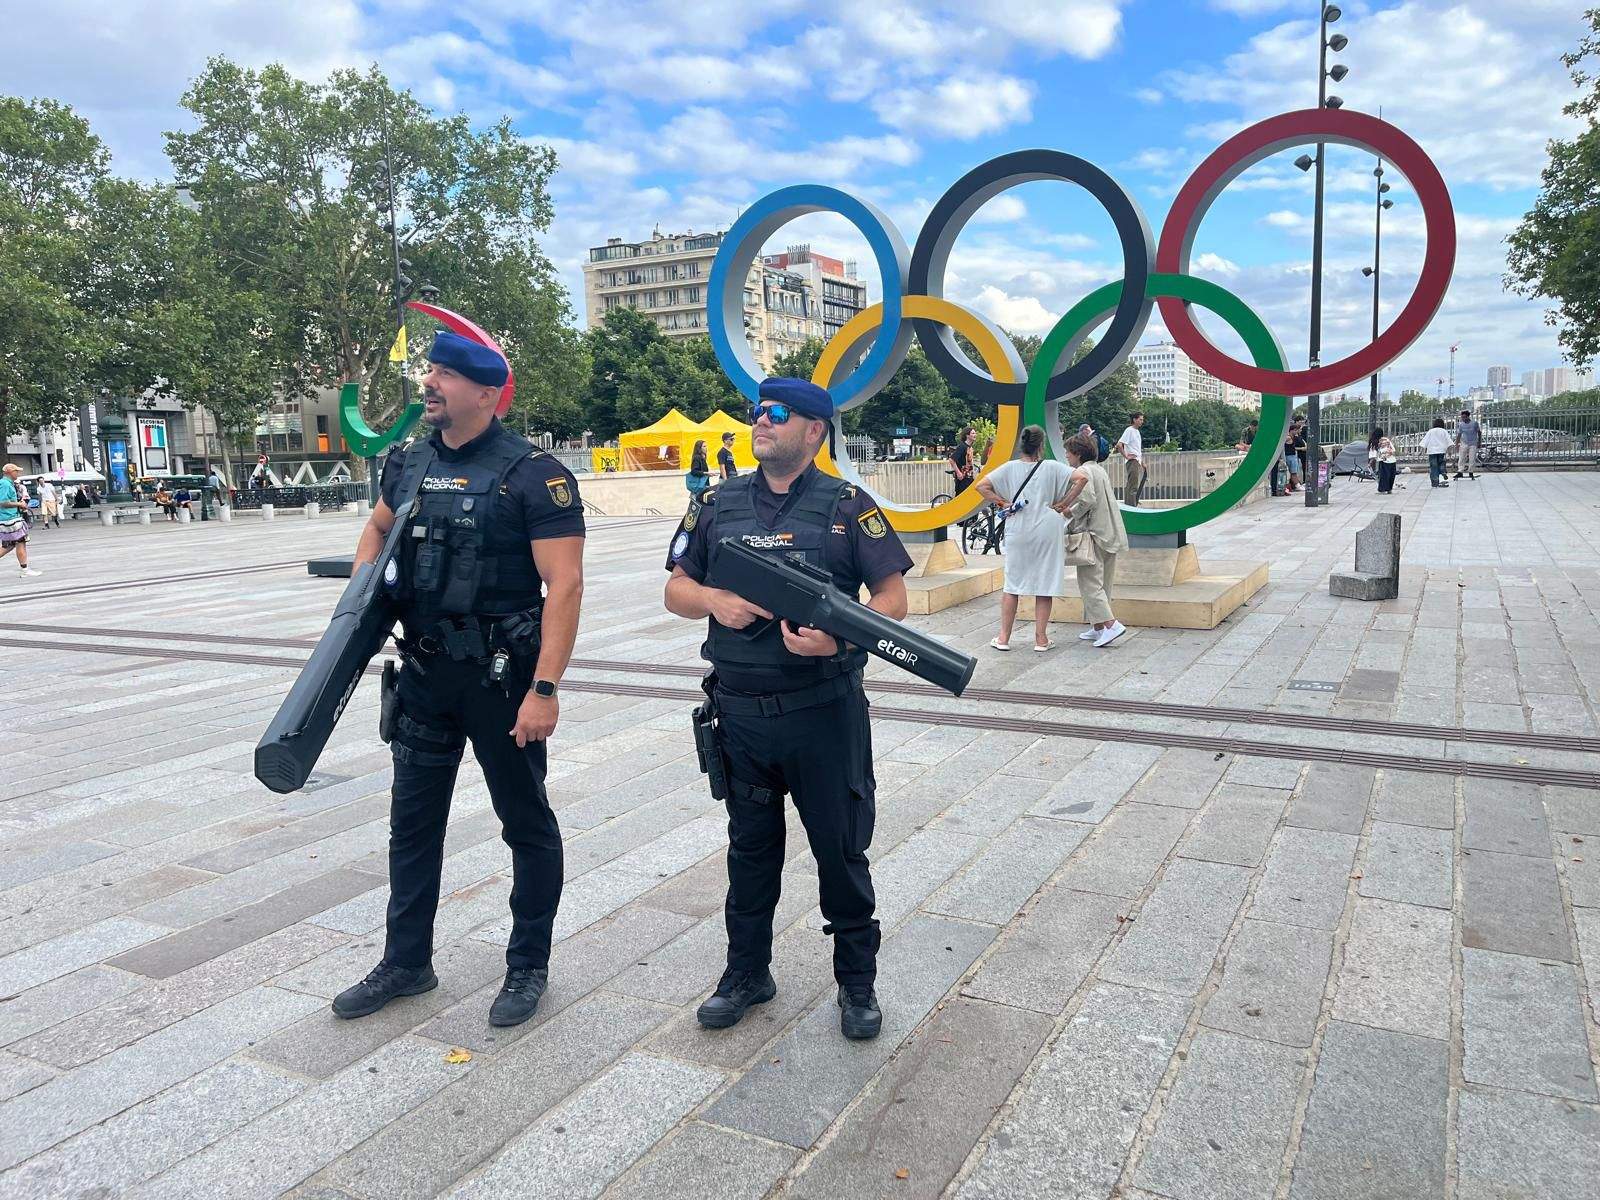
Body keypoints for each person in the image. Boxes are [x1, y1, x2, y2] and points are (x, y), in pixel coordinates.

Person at [331, 330, 585, 1028]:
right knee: (411, 826)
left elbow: (563, 585)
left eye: (443, 374)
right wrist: (362, 596)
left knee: (525, 824)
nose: (430, 384)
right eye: (431, 371)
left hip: (503, 683)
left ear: (484, 391)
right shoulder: (408, 463)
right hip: (423, 675)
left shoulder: (536, 474)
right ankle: (406, 961)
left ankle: (527, 965)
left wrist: (545, 688)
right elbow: (378, 530)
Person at [663, 376, 912, 1042]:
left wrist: (842, 631)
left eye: (776, 414)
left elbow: (893, 598)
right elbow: (675, 588)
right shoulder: (718, 502)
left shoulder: (847, 504)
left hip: (823, 714)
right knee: (749, 853)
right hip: (740, 715)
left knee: (840, 850)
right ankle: (746, 973)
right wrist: (714, 601)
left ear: (814, 431)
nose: (760, 420)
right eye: (756, 412)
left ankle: (856, 984)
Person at [976, 425, 1074, 652]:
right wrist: (1064, 503)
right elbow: (1081, 478)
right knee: (1044, 584)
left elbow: (982, 486)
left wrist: (1002, 503)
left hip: (1018, 530)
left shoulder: (1009, 468)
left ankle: (1003, 638)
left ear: (1022, 444)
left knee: (1012, 585)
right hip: (1046, 530)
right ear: (1041, 445)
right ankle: (1040, 639)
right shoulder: (1052, 467)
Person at [1058, 432, 1129, 647]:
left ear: (1077, 453)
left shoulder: (1083, 471)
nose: (1067, 457)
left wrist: (1069, 512)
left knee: (1090, 583)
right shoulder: (1099, 469)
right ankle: (1098, 627)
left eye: (1068, 453)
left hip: (1094, 533)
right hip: (1110, 532)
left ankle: (1110, 625)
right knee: (1104, 582)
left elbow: (1087, 499)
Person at [0, 465, 42, 577]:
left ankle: (25, 569)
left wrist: (19, 505)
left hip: (8, 518)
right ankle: (25, 570)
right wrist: (20, 504)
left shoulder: (7, 483)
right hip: (11, 519)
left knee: (8, 545)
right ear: (10, 472)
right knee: (20, 542)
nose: (18, 473)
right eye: (16, 471)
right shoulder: (5, 484)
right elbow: (3, 502)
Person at [1116, 412, 1146, 505]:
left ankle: (1132, 503)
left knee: (1133, 484)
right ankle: (1131, 505)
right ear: (1134, 420)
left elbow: (1137, 450)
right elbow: (1119, 445)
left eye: (1142, 419)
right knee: (1132, 485)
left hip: (1136, 461)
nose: (1142, 421)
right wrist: (1126, 456)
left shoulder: (1137, 432)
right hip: (1132, 461)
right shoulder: (1129, 430)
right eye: (1140, 419)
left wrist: (1142, 462)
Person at [1422, 417, 1452, 487]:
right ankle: (1443, 471)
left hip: (1432, 451)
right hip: (1441, 450)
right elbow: (1448, 441)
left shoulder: (1431, 431)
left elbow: (1425, 441)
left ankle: (1435, 482)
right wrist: (1449, 451)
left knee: (1434, 466)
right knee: (1441, 462)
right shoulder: (1444, 431)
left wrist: (1423, 450)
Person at [947, 425, 977, 494]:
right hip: (963, 478)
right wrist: (958, 473)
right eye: (972, 433)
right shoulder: (962, 446)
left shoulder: (970, 447)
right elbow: (951, 459)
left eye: (975, 433)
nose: (975, 435)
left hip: (969, 476)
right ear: (967, 435)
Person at [1370, 428, 1399, 494]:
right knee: (1391, 476)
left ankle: (1383, 490)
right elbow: (1393, 450)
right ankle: (1389, 489)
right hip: (1392, 460)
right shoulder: (1387, 440)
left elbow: (1373, 455)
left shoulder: (1374, 442)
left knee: (1384, 476)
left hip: (1384, 461)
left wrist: (1370, 463)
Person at [1455, 409, 1481, 479]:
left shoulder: (1474, 423)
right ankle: (1460, 471)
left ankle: (1471, 472)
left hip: (1473, 443)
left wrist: (1479, 442)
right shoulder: (1461, 424)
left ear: (1468, 417)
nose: (1463, 419)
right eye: (1462, 417)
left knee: (1472, 458)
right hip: (1464, 442)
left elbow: (1479, 432)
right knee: (1461, 457)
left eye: (1464, 417)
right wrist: (1457, 444)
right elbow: (1459, 434)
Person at [1283, 419, 1306, 494]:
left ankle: (1297, 484)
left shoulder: (1293, 437)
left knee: (1294, 471)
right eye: (1295, 430)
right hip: (1290, 456)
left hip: (1293, 455)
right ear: (1292, 430)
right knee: (1293, 472)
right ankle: (1297, 485)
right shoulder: (1288, 437)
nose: (1297, 432)